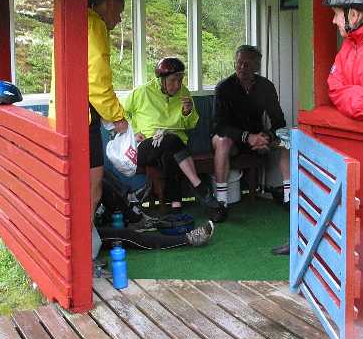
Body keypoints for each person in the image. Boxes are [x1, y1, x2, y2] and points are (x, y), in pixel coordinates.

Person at [49, 0, 129, 259]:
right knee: (91, 191)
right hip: (83, 121)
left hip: (65, 116)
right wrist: (117, 116)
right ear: (108, 3)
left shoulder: (74, 20)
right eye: (119, 12)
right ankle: (81, 254)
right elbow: (96, 81)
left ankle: (79, 248)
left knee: (76, 189)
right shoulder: (94, 25)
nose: (119, 20)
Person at [123, 57, 220, 215]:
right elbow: (121, 114)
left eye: (180, 80)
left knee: (170, 152)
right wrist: (134, 132)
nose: (177, 85)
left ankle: (176, 207)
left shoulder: (184, 92)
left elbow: (190, 124)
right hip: (146, 146)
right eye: (173, 80)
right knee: (171, 139)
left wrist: (187, 112)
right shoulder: (142, 92)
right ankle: (200, 187)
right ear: (161, 80)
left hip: (174, 147)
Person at [212, 45, 290, 226]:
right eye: (239, 63)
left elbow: (279, 121)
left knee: (288, 140)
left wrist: (267, 136)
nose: (242, 68)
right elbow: (218, 125)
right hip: (230, 138)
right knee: (222, 141)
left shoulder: (266, 87)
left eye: (247, 64)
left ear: (257, 66)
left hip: (257, 137)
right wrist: (247, 137)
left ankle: (288, 196)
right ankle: (221, 203)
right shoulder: (224, 87)